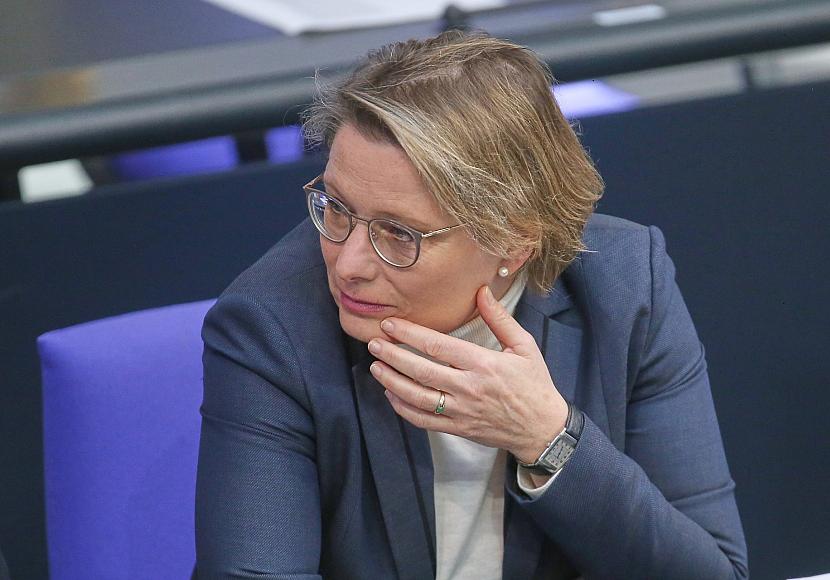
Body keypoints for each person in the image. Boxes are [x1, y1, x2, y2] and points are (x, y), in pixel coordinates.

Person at [195, 30, 747, 579]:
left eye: (398, 233)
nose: (348, 263)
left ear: (514, 241)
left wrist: (548, 439)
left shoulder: (624, 288)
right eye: (336, 208)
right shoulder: (271, 326)